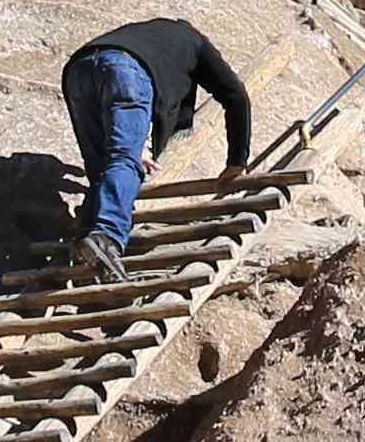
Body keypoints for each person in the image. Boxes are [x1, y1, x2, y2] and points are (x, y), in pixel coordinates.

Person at [57, 15, 259, 262]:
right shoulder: (194, 42)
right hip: (126, 70)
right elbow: (236, 96)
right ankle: (106, 236)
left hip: (79, 70)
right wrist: (237, 161)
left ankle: (86, 243)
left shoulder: (148, 35)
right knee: (124, 159)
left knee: (102, 168)